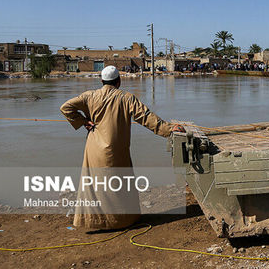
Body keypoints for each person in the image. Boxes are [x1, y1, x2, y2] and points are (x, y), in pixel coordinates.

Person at [60, 66, 184, 230]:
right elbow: (146, 117)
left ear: (102, 81)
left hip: (94, 148)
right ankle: (121, 221)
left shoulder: (89, 96)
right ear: (119, 81)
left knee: (95, 186)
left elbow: (66, 107)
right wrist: (169, 129)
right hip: (116, 149)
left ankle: (94, 222)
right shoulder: (126, 98)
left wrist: (83, 121)